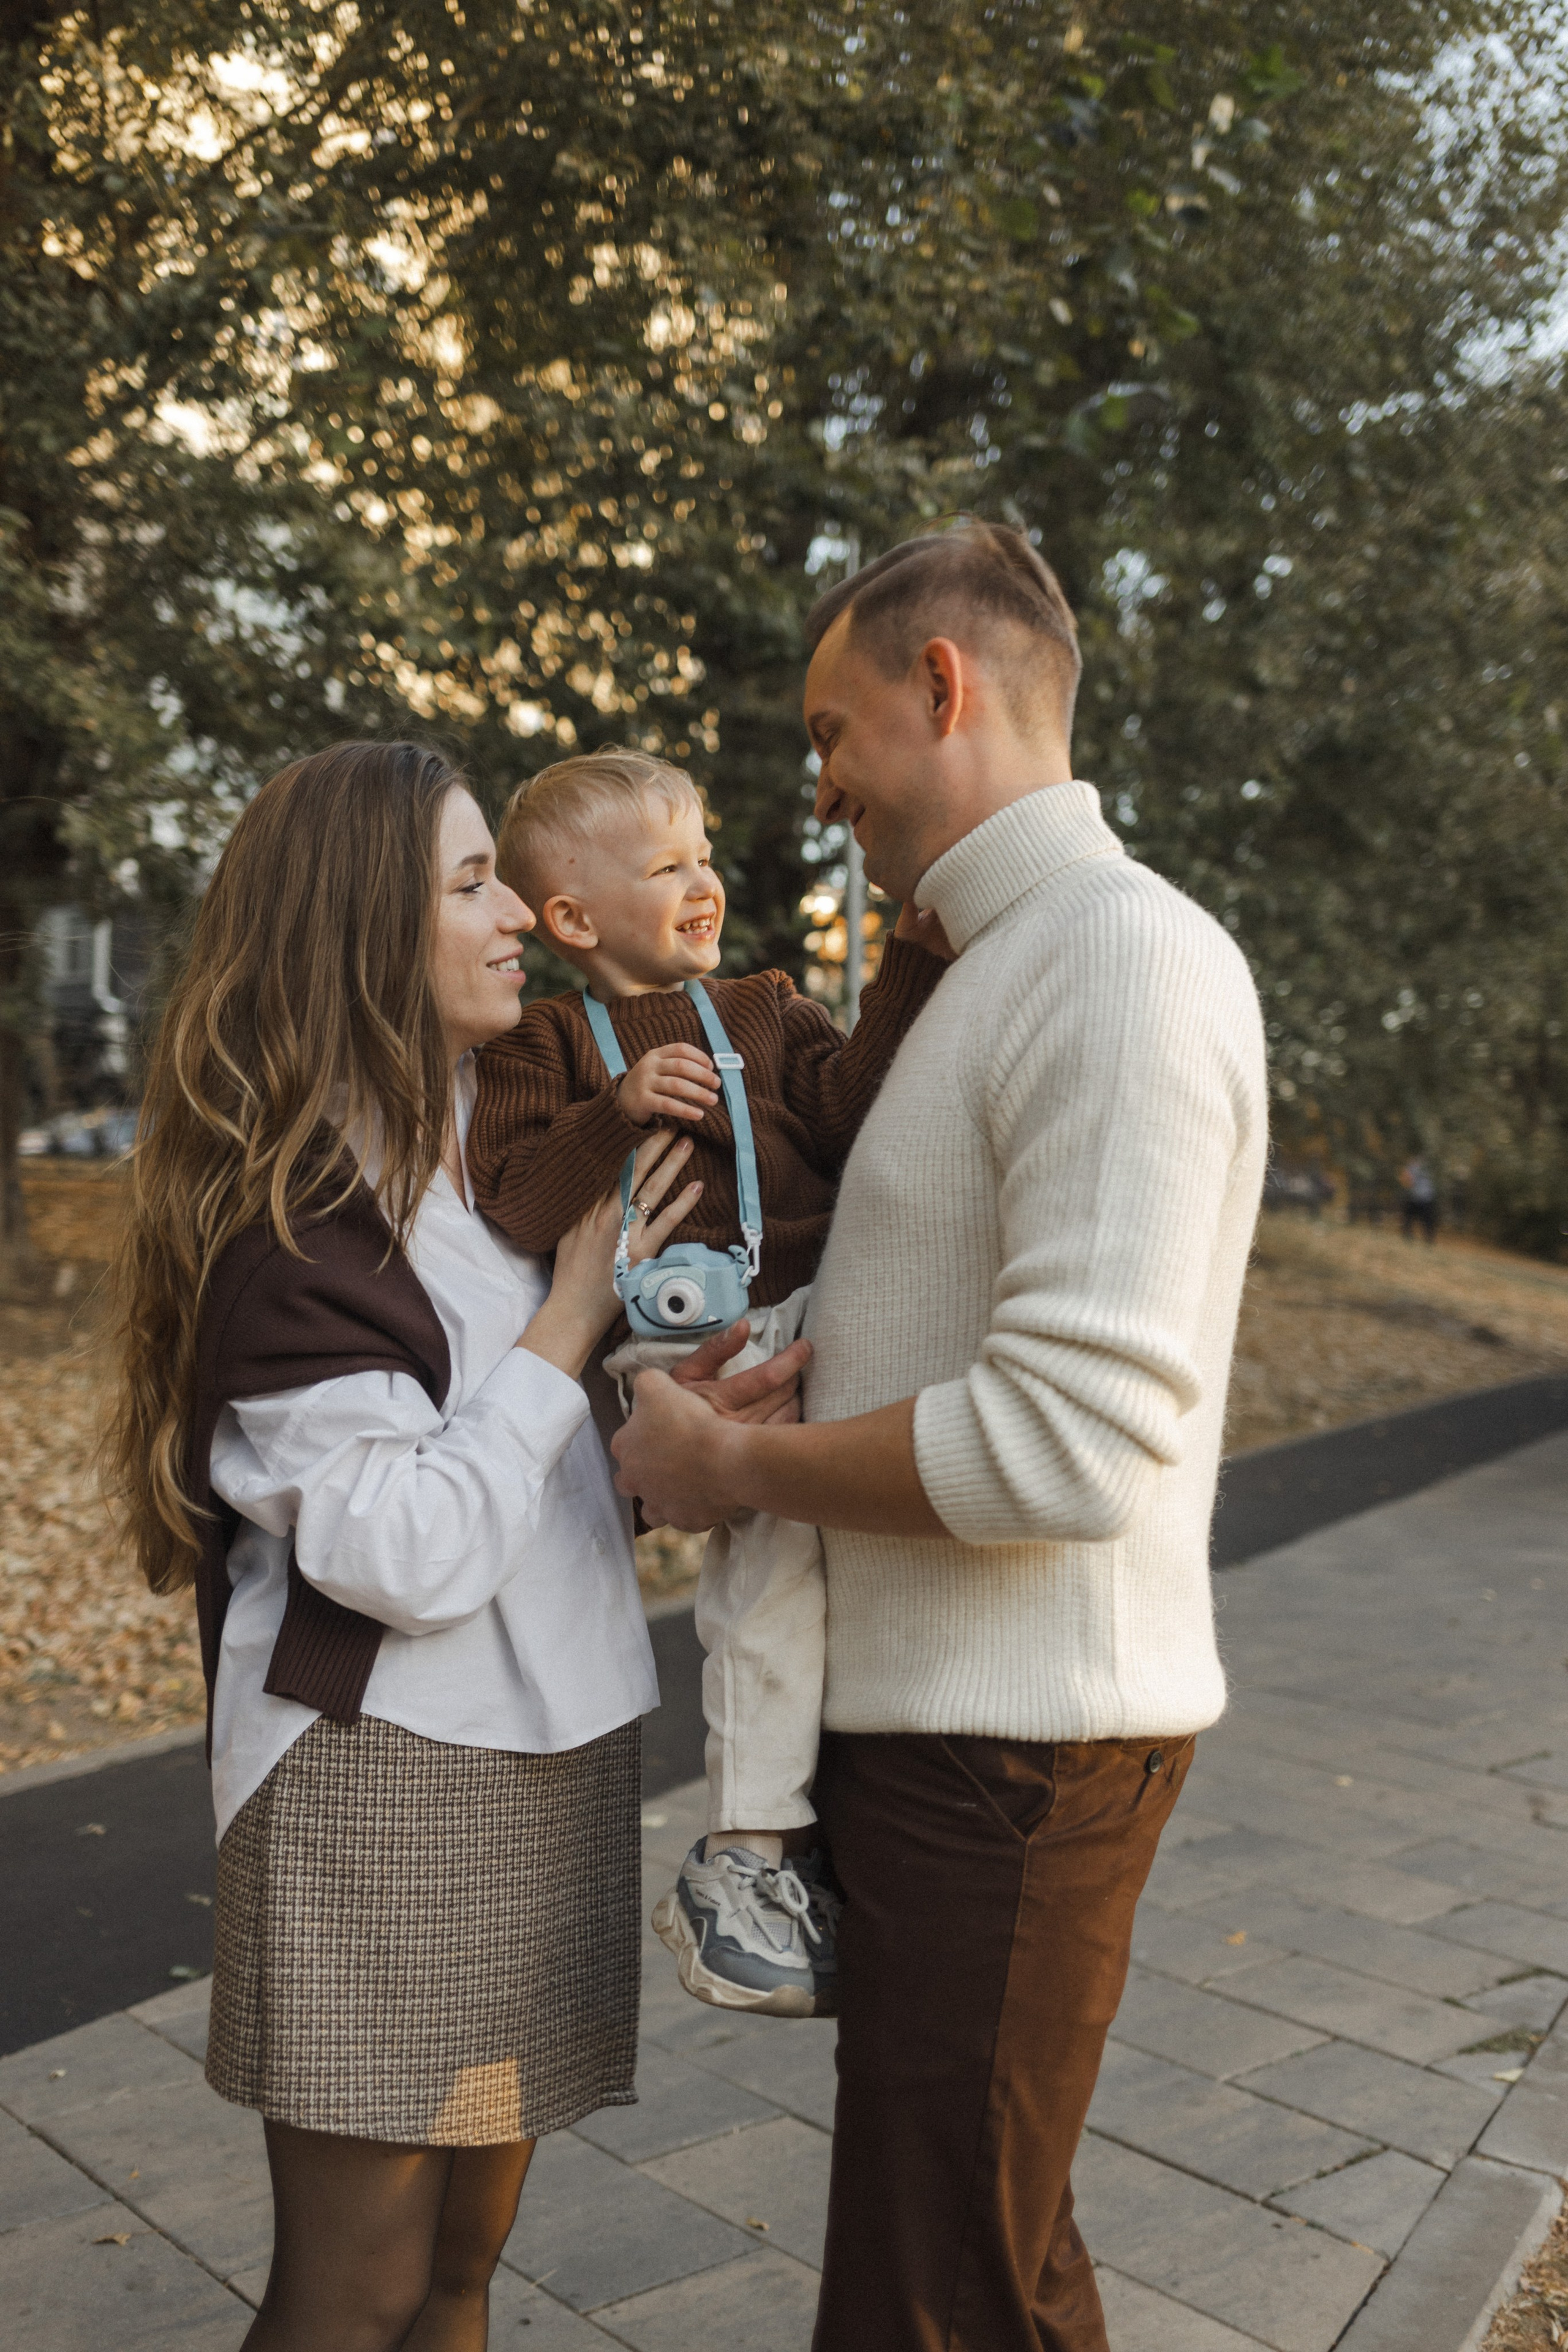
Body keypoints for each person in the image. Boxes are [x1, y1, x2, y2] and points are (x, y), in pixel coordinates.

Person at [612, 522, 1269, 2352]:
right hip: (957, 1744)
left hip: (1018, 1756)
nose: (816, 783)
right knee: (993, 2256)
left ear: (943, 685)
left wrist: (735, 1469)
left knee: (926, 2294)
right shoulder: (994, 964)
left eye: (833, 730)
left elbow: (1066, 1443)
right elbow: (953, 1336)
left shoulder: (1119, 961)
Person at [104, 741, 801, 2352]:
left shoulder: (497, 1161)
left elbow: (527, 1459)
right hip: (380, 1780)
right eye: (472, 881)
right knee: (355, 2296)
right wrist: (570, 1320)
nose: (516, 917)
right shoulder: (302, 1216)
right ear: (362, 924)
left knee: (465, 2279)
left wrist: (678, 1434)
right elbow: (402, 1551)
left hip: (551, 1749)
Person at [466, 750, 947, 2016]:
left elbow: (852, 1120)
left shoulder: (768, 1005)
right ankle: (745, 1845)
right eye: (666, 863)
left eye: (704, 855)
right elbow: (515, 1197)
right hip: (688, 1344)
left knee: (868, 1540)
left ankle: (836, 1812)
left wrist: (908, 962)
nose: (704, 880)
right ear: (572, 919)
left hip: (820, 1312)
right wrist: (615, 1111)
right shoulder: (549, 1040)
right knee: (773, 1567)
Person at [1401, 1154, 1438, 1242]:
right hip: (1426, 1197)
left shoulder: (1413, 1167)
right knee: (1426, 1220)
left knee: (1410, 1218)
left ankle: (1409, 1235)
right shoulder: (1427, 1168)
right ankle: (1428, 1238)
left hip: (1418, 1197)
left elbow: (1407, 1181)